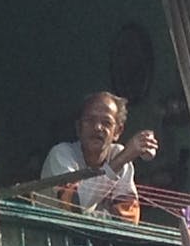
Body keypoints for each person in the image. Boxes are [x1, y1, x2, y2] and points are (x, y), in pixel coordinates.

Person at [41, 92, 158, 223]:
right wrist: (119, 161)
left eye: (106, 123)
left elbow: (128, 218)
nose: (97, 127)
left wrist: (121, 160)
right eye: (90, 120)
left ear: (118, 132)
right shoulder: (61, 154)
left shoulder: (118, 154)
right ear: (78, 127)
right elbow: (73, 205)